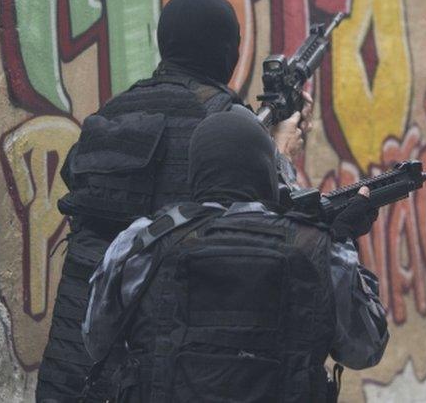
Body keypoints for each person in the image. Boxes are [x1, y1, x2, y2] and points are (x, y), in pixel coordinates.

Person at [36, 0, 309, 402]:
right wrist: (280, 151)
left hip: (75, 359)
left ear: (164, 43)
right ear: (228, 53)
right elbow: (278, 224)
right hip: (165, 367)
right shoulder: (225, 125)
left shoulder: (110, 116)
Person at [82, 109, 389, 402]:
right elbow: (366, 348)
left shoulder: (144, 241)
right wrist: (343, 240)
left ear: (197, 172)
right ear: (265, 171)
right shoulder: (316, 248)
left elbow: (96, 340)